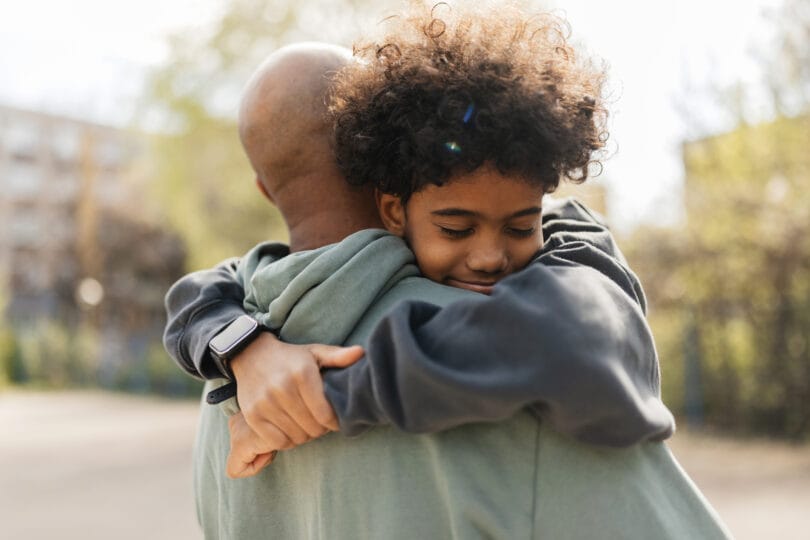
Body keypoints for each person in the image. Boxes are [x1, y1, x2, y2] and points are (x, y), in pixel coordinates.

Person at [165, 5, 731, 539]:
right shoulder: (517, 364)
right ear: (391, 183)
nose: (490, 256)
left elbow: (201, 292)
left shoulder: (226, 395)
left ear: (265, 188)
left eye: (520, 223)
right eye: (458, 227)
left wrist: (246, 347)